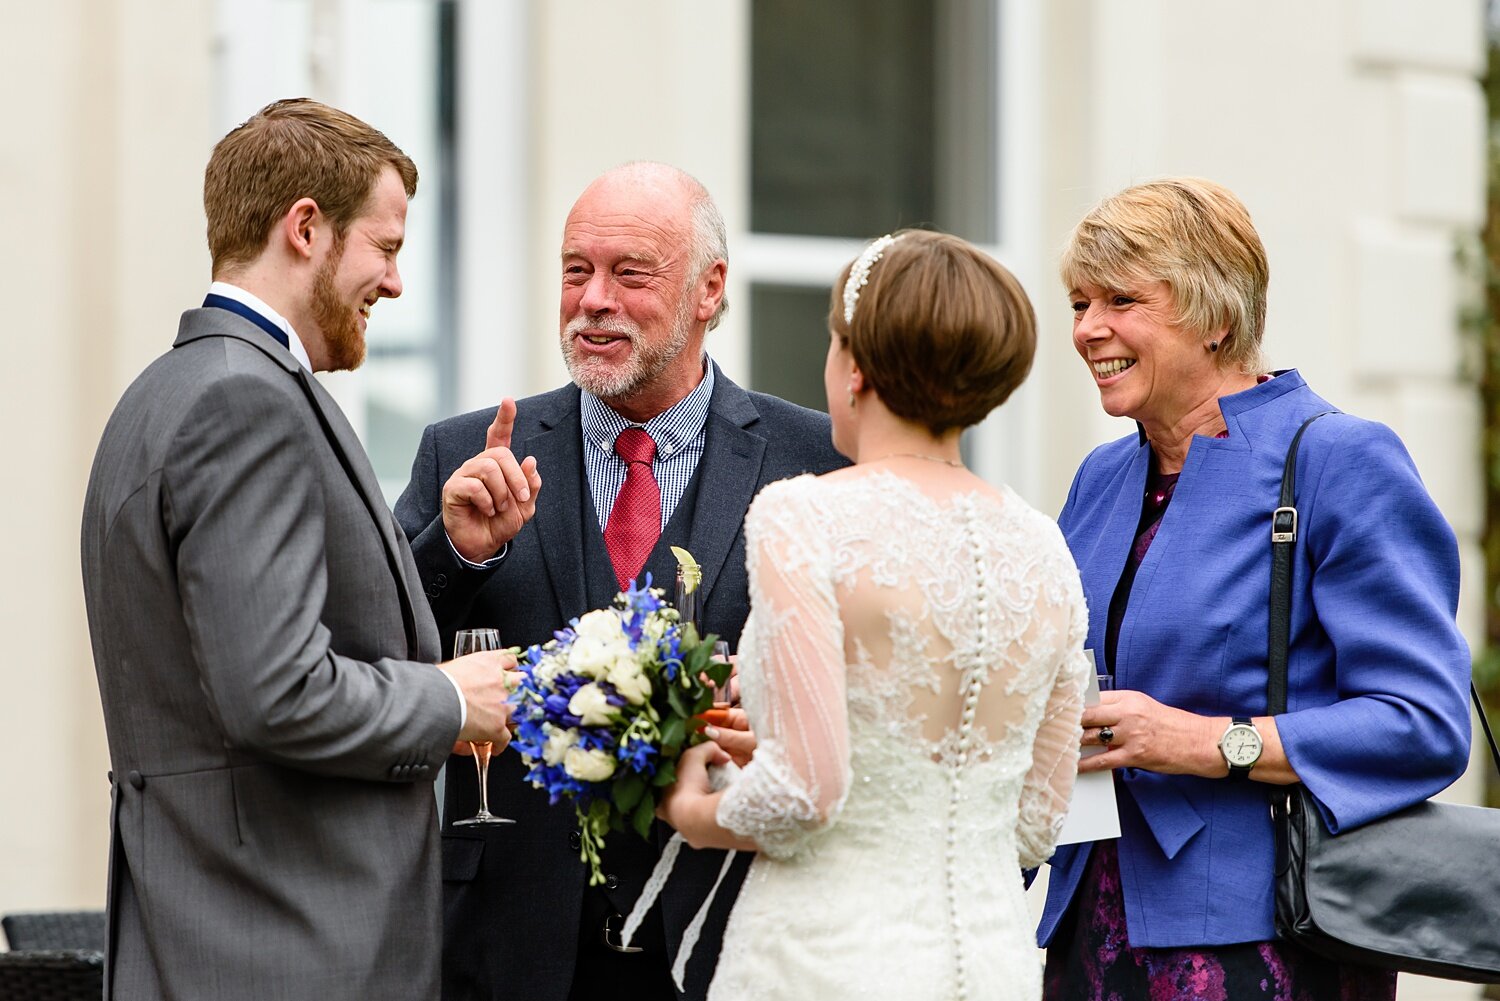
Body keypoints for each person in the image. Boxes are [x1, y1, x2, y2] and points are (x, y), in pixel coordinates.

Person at [80, 99, 537, 1001]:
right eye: (387, 246)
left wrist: (441, 546)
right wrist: (452, 698)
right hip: (290, 949)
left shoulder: (163, 391)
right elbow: (277, 691)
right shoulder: (245, 401)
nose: (397, 282)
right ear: (305, 228)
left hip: (210, 941)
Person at [394, 161, 846, 1001]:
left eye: (629, 274)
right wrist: (456, 551)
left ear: (709, 289)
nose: (593, 298)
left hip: (731, 941)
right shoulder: (463, 452)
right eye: (576, 271)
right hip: (508, 948)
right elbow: (374, 659)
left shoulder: (814, 462)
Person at [1037, 178, 1473, 1000]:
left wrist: (1206, 741)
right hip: (1090, 933)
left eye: (1121, 299)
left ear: (1217, 316)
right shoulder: (1101, 478)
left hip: (1265, 944)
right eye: (1078, 301)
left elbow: (1424, 722)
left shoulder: (1337, 460)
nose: (1088, 328)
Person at [659, 229, 1092, 1001]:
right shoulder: (1044, 546)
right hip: (992, 961)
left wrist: (693, 804)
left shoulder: (805, 516)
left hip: (828, 959)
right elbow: (1033, 822)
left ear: (854, 365)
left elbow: (805, 793)